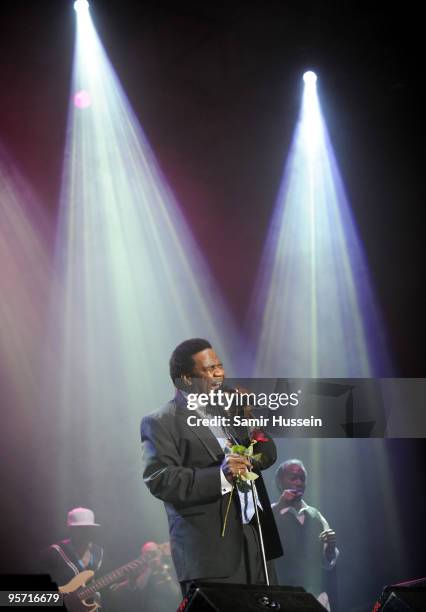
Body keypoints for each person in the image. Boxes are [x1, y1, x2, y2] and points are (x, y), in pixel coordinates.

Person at [141, 338, 282, 595]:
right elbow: (160, 479)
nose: (219, 373)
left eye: (219, 366)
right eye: (209, 369)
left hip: (256, 544)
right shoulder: (161, 421)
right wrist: (220, 476)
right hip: (210, 555)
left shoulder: (230, 411)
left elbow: (268, 455)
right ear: (185, 379)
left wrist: (249, 418)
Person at [272, 460, 339, 611]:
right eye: (293, 477)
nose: (299, 482)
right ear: (280, 482)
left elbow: (328, 563)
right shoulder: (270, 514)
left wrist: (330, 549)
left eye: (302, 478)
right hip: (283, 598)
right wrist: (280, 505)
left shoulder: (315, 515)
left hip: (316, 598)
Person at [39, 507, 103, 606]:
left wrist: (129, 582)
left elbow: (109, 589)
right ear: (70, 529)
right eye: (81, 529)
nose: (85, 533)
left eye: (89, 528)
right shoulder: (53, 553)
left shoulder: (99, 552)